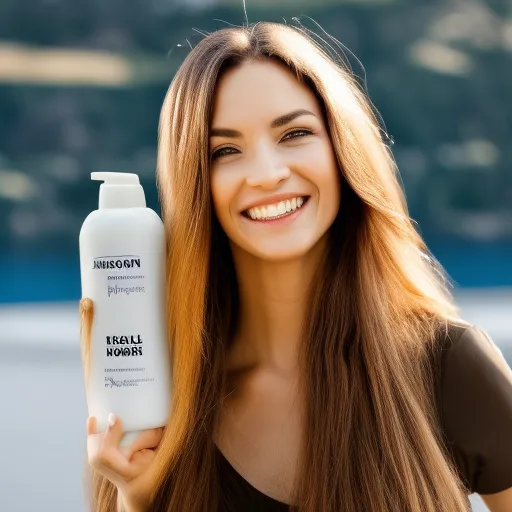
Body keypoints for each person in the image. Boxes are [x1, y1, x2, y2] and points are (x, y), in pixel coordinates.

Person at [85, 22, 512, 512]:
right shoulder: (156, 406)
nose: (267, 174)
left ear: (341, 150)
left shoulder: (449, 366)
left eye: (295, 133)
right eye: (225, 150)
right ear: (195, 182)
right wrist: (137, 500)